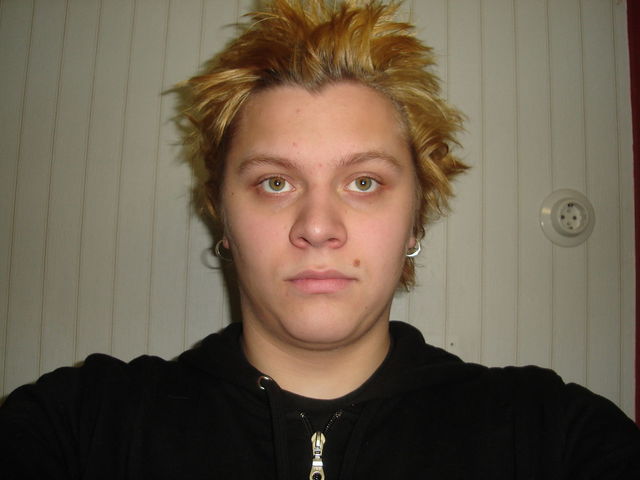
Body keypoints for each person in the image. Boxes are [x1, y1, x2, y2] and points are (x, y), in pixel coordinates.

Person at [1, 0, 639, 478]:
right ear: (223, 220)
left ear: (416, 219)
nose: (316, 227)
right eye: (275, 183)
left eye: (364, 182)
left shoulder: (550, 433)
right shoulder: (82, 425)